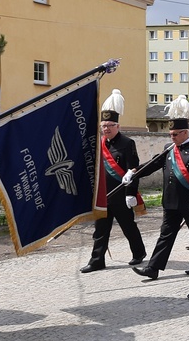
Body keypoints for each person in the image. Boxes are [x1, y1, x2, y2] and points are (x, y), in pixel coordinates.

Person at [131, 118, 189, 280]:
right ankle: (153, 267)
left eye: (175, 134)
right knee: (165, 234)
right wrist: (135, 172)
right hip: (170, 202)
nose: (172, 137)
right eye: (170, 134)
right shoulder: (169, 148)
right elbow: (153, 164)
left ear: (186, 132)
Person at [81, 96, 147, 274]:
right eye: (103, 125)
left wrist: (131, 193)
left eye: (110, 125)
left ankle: (139, 252)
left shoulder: (127, 143)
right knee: (100, 230)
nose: (106, 129)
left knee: (128, 226)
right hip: (103, 195)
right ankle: (97, 261)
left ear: (117, 126)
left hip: (121, 195)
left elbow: (133, 171)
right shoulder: (98, 144)